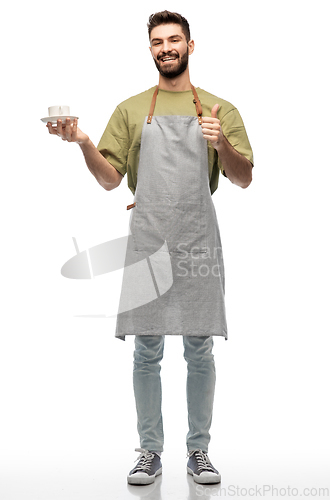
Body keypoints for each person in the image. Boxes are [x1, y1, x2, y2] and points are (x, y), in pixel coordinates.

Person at [47, 10, 253, 486]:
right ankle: (149, 451)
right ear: (150, 49)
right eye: (158, 41)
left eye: (174, 39)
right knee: (146, 348)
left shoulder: (220, 108)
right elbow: (109, 180)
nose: (166, 47)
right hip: (148, 237)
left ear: (190, 46)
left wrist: (220, 144)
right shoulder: (132, 109)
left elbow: (243, 179)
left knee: (200, 347)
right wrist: (82, 142)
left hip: (198, 237)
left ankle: (199, 452)